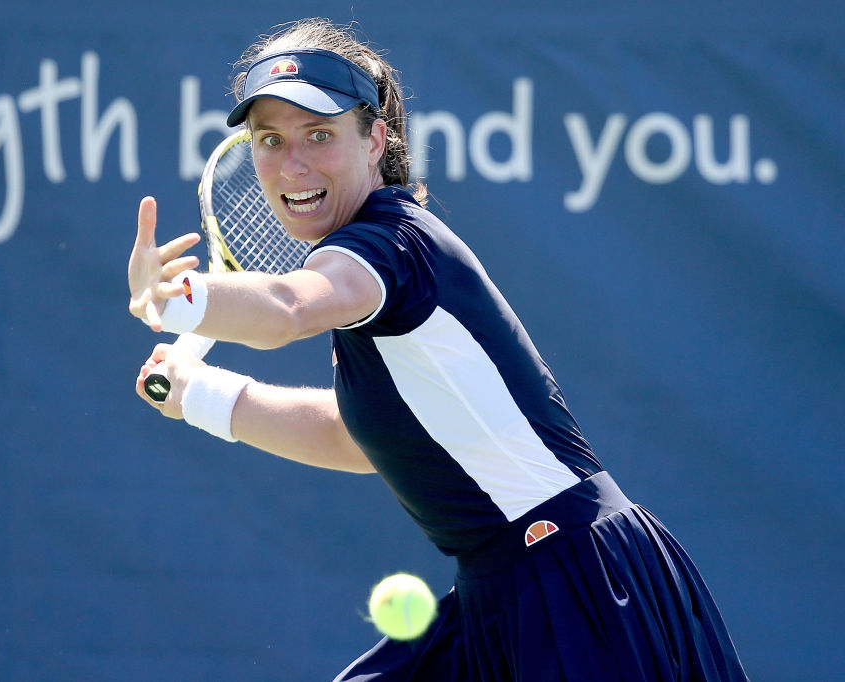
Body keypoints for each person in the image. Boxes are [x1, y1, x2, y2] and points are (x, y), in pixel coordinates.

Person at [127, 18, 750, 682]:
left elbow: (288, 307)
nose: (294, 164)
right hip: (502, 589)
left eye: (319, 135)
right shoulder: (371, 258)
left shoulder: (387, 245)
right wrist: (198, 395)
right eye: (270, 141)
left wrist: (178, 298)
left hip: (575, 586)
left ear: (375, 140)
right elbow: (363, 441)